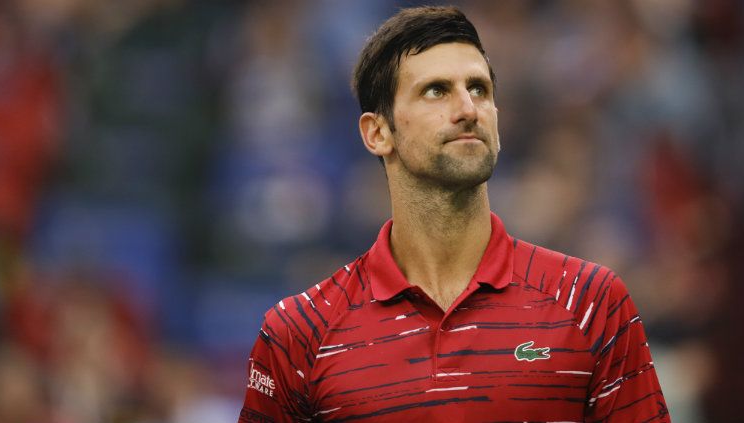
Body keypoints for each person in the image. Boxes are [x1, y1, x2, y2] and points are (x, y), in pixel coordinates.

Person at [238, 6, 669, 422]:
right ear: (377, 132)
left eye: (479, 89)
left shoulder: (593, 302)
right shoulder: (299, 333)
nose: (468, 108)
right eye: (436, 91)